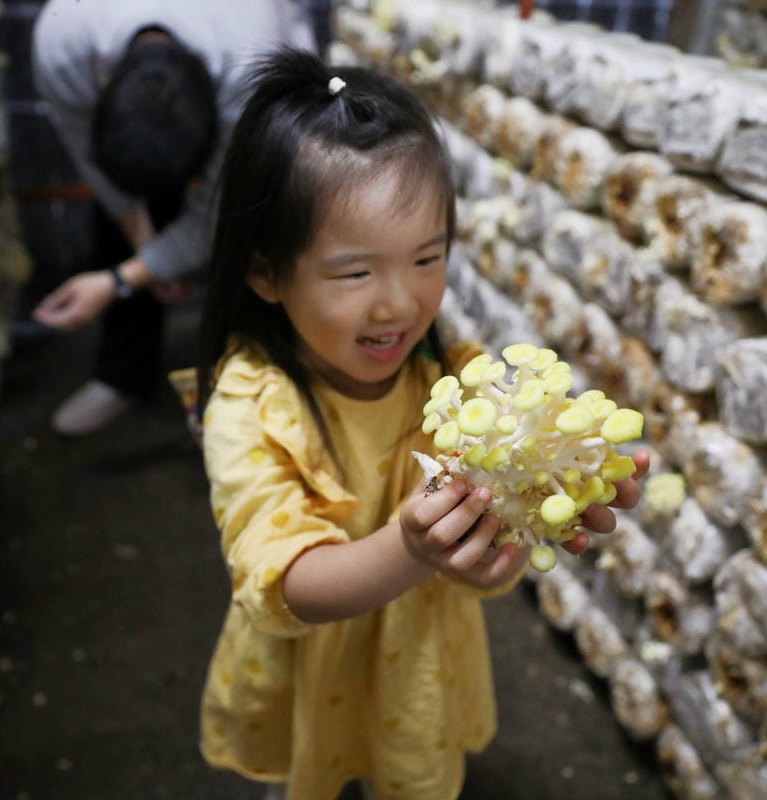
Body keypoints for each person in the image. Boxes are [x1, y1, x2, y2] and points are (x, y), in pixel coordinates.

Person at [195, 50, 650, 800]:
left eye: (427, 259)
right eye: (354, 272)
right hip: (308, 668)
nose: (400, 304)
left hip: (419, 663)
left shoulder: (456, 379)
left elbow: (483, 537)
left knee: (407, 760)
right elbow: (285, 579)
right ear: (267, 273)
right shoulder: (253, 403)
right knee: (308, 774)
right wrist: (413, 547)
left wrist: (515, 529)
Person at [29, 0, 314, 435]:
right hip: (172, 69)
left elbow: (222, 209)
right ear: (101, 84)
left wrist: (121, 280)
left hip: (261, 46)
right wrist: (145, 252)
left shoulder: (252, 69)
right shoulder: (62, 42)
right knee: (117, 218)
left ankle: (251, 386)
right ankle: (122, 376)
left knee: (258, 232)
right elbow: (94, 165)